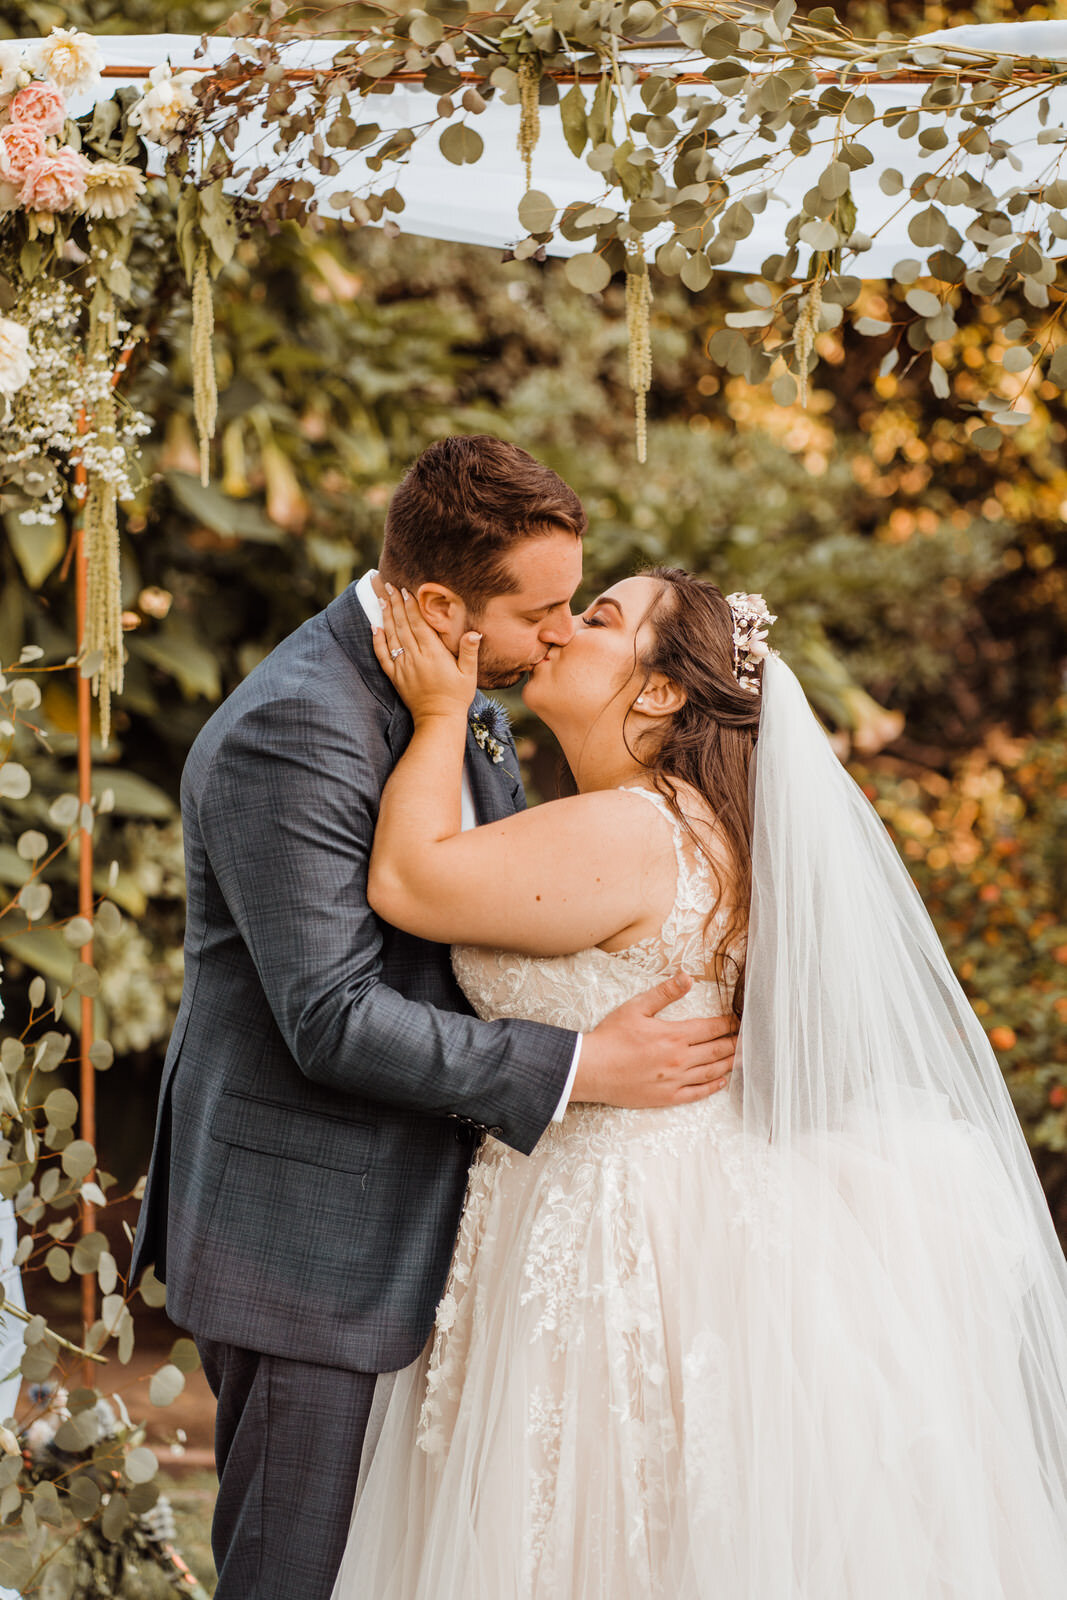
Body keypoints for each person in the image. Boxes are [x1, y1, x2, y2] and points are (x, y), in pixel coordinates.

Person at [330, 569, 1067, 1598]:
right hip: (669, 1192)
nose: (561, 629)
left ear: (661, 692)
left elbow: (406, 880)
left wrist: (442, 710)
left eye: (599, 617)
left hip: (607, 1217)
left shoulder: (630, 828)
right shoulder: (683, 821)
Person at [129, 439, 738, 1600]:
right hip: (309, 1238)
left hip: (448, 1234)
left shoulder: (453, 696)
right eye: (543, 610)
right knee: (292, 1578)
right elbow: (333, 1017)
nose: (559, 633)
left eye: (577, 607)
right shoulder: (301, 726)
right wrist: (581, 1063)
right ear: (442, 604)